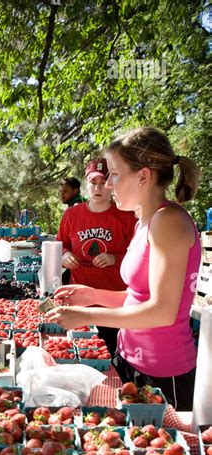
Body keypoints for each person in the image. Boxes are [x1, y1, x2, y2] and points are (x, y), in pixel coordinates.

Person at [50, 127, 201, 411]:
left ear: (143, 177)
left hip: (163, 372)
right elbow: (138, 296)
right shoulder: (146, 220)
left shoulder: (168, 221)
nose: (108, 185)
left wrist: (86, 314)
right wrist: (92, 294)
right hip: (133, 361)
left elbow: (162, 311)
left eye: (115, 175)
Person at [56, 158, 136, 356]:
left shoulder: (126, 215)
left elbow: (139, 255)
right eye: (93, 182)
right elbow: (60, 245)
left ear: (111, 184)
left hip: (115, 304)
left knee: (112, 357)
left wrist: (114, 258)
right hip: (80, 302)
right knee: (82, 355)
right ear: (86, 184)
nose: (98, 188)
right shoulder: (71, 215)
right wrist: (65, 255)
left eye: (103, 182)